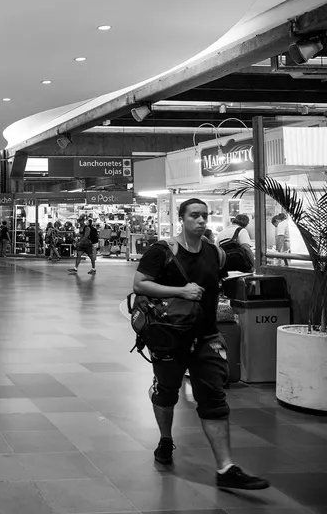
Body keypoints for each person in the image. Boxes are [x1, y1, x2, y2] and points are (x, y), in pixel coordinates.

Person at [133, 198, 269, 490]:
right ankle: (166, 440)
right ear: (181, 218)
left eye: (204, 216)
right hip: (170, 336)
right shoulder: (162, 251)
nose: (201, 220)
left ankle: (226, 468)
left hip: (207, 336)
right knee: (166, 393)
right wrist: (180, 290)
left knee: (214, 400)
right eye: (194, 215)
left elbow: (215, 283)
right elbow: (140, 284)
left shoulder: (214, 253)